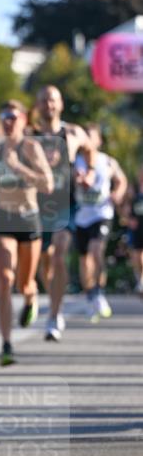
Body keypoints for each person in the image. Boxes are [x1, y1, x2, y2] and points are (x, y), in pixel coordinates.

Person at [0, 101, 53, 366]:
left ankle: (31, 297)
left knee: (24, 282)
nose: (7, 121)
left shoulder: (31, 148)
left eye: (12, 116)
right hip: (3, 217)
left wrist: (19, 168)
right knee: (3, 280)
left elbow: (47, 184)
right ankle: (6, 343)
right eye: (3, 116)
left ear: (24, 120)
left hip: (28, 219)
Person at [32, 85, 94, 341]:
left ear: (61, 104)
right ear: (37, 105)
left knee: (59, 256)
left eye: (53, 100)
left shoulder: (72, 133)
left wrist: (88, 173)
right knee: (42, 264)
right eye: (44, 100)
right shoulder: (30, 136)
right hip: (35, 207)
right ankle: (53, 297)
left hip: (65, 205)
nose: (49, 105)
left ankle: (54, 315)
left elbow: (90, 151)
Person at [74, 123, 127, 321]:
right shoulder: (76, 161)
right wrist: (79, 181)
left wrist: (117, 193)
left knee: (97, 251)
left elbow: (121, 180)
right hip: (82, 216)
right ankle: (89, 294)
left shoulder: (107, 162)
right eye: (84, 136)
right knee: (84, 259)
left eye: (91, 136)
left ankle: (99, 291)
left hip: (101, 213)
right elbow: (73, 180)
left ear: (99, 140)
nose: (87, 140)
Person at [123, 165, 143, 298]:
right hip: (136, 227)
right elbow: (125, 207)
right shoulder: (133, 189)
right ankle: (140, 280)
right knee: (136, 256)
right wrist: (129, 219)